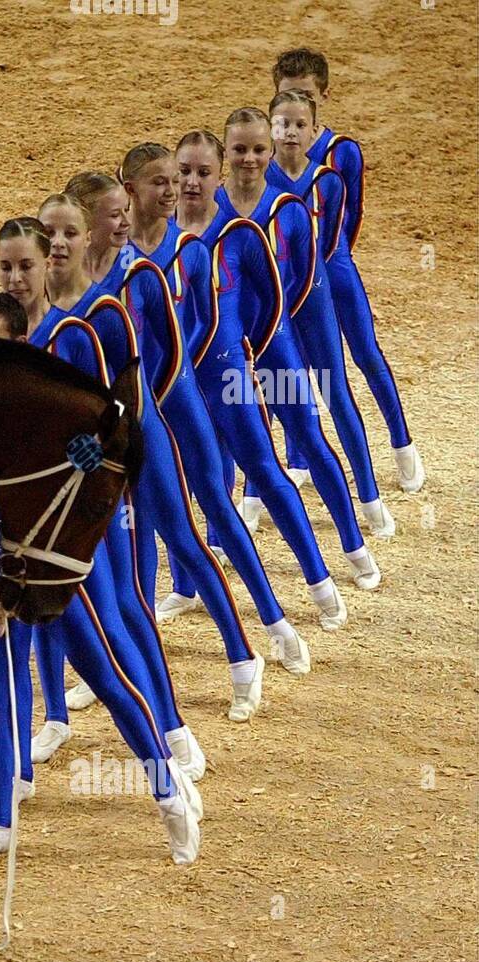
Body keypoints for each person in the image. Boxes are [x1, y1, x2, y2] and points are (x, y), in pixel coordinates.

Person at [0, 220, 203, 873]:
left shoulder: (64, 342)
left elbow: (116, 426)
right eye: (4, 266)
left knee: (103, 667)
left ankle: (166, 785)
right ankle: (0, 815)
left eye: (25, 266)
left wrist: (92, 452)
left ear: (46, 267)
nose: (14, 278)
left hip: (54, 544)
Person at [119, 140, 311, 679]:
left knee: (216, 508)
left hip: (177, 393)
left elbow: (199, 324)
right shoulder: (113, 256)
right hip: (138, 407)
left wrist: (170, 381)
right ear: (131, 189)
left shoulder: (189, 251)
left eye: (175, 179)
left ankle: (275, 622)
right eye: (162, 181)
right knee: (141, 524)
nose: (174, 189)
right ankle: (139, 652)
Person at [173, 129, 350, 630]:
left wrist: (251, 355)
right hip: (181, 382)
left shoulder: (238, 234)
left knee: (265, 469)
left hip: (230, 372)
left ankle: (320, 581)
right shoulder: (163, 236)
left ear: (219, 174)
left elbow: (274, 302)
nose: (191, 182)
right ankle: (185, 588)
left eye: (202, 173)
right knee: (196, 480)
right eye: (184, 171)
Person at [212, 108, 380, 594]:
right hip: (224, 355)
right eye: (239, 149)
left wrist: (268, 339)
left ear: (271, 151)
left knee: (306, 434)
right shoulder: (208, 210)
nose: (248, 158)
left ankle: (353, 543)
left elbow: (306, 280)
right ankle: (220, 543)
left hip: (274, 344)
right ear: (227, 152)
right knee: (224, 444)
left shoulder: (289, 208)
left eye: (258, 149)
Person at [240, 90, 393, 538]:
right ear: (270, 131)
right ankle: (253, 496)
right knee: (266, 396)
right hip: (273, 303)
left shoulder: (327, 181)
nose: (289, 132)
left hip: (313, 296)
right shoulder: (258, 180)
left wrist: (296, 291)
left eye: (298, 124)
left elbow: (328, 243)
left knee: (336, 391)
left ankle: (368, 495)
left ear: (314, 131)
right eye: (280, 124)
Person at [271, 47, 425, 491]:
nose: (297, 101)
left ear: (323, 95)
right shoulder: (271, 151)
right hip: (292, 279)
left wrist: (333, 261)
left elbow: (350, 215)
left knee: (366, 354)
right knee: (298, 365)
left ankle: (401, 443)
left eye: (305, 93)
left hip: (334, 268)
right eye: (288, 94)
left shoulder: (343, 152)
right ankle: (300, 455)